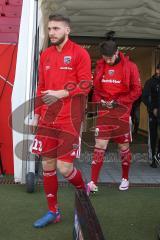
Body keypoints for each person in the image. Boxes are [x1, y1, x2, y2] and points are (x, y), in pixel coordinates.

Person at [31, 14, 91, 228]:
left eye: (56, 28)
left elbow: (86, 85)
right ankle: (53, 211)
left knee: (64, 168)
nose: (52, 33)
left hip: (69, 119)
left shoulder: (80, 53)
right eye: (49, 29)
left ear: (67, 30)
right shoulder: (45, 54)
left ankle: (82, 188)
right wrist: (37, 113)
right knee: (47, 164)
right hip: (48, 118)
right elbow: (41, 87)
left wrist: (61, 93)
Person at [87, 31, 142, 193]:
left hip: (122, 113)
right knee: (99, 146)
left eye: (110, 58)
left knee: (123, 147)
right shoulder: (100, 66)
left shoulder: (131, 67)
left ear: (117, 53)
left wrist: (118, 102)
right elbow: (96, 90)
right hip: (105, 113)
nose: (108, 61)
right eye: (105, 58)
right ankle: (92, 182)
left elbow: (137, 91)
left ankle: (125, 178)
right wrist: (100, 101)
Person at [142, 63, 160, 168]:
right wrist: (152, 108)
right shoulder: (150, 82)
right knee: (153, 136)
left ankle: (158, 155)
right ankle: (153, 158)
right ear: (157, 70)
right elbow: (145, 97)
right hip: (153, 114)